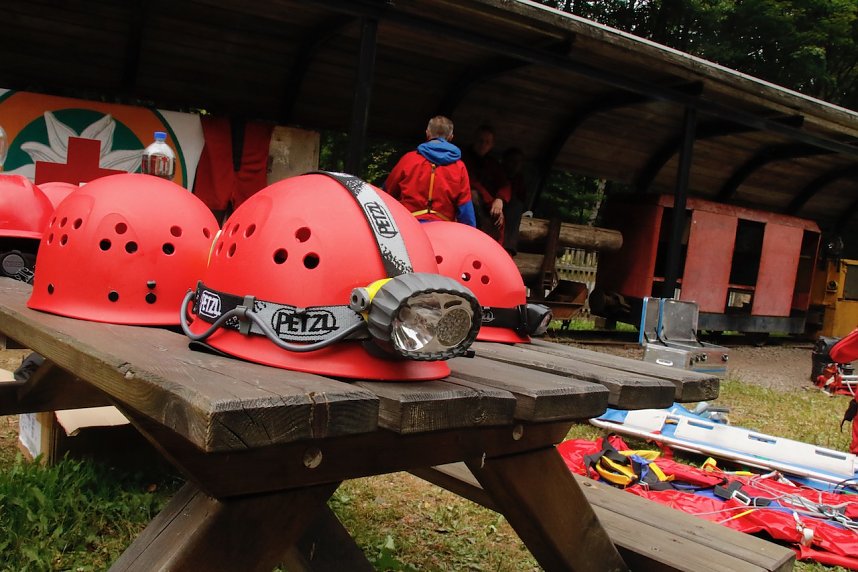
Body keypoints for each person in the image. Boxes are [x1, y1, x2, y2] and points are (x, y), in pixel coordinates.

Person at [384, 116, 476, 226]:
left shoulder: (408, 159)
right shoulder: (459, 167)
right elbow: (465, 208)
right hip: (443, 229)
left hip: (409, 225)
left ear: (427, 133)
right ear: (451, 137)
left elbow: (387, 193)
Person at [462, 125, 511, 244]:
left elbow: (505, 184)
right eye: (481, 141)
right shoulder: (464, 159)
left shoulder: (492, 164)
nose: (483, 144)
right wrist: (492, 204)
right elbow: (472, 183)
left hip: (490, 207)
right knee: (473, 195)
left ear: (492, 145)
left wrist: (499, 199)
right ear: (474, 140)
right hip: (473, 205)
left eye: (487, 142)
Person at [501, 146, 530, 255]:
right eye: (513, 161)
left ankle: (509, 249)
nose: (516, 164)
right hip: (495, 208)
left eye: (518, 162)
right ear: (505, 161)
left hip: (512, 215)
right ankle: (508, 248)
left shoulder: (519, 180)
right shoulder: (498, 174)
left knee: (516, 205)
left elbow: (523, 200)